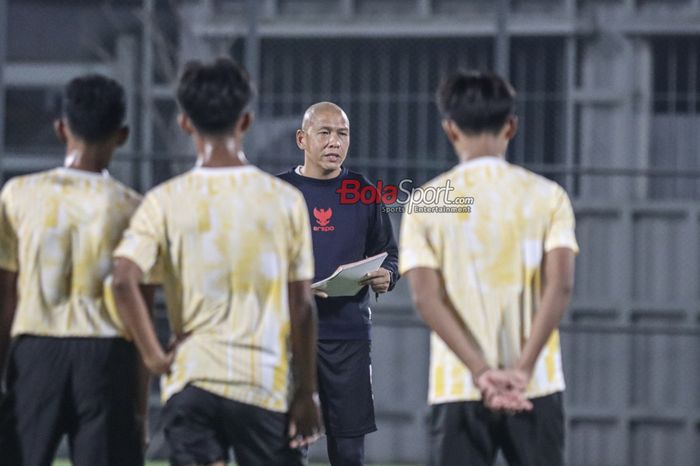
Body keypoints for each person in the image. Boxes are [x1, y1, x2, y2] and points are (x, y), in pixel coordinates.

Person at [111, 57, 323, 466]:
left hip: (193, 381)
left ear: (184, 123)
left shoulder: (164, 201)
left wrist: (155, 356)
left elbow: (123, 279)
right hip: (263, 382)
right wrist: (306, 392)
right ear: (246, 121)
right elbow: (302, 308)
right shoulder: (284, 201)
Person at [399, 71, 579, 466]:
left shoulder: (426, 202)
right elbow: (560, 285)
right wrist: (523, 369)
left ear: (450, 129)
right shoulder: (548, 196)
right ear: (511, 126)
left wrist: (481, 372)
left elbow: (425, 298)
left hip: (457, 386)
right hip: (536, 383)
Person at [0, 74, 148, 466]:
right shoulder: (134, 208)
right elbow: (140, 318)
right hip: (105, 356)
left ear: (61, 128)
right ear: (122, 135)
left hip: (34, 351)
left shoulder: (18, 195)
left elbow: (6, 295)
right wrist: (140, 409)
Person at [278, 102, 399, 466]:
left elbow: (389, 254)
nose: (334, 142)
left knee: (349, 452)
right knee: (287, 448)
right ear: (303, 138)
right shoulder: (279, 192)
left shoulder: (362, 192)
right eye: (325, 133)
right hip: (289, 337)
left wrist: (388, 275)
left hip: (348, 338)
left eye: (342, 134)